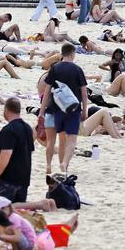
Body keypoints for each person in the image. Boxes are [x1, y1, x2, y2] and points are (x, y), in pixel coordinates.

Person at [38, 43, 87, 174]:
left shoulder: (55, 69)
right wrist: (85, 110)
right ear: (72, 54)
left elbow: (47, 91)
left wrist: (42, 111)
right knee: (66, 141)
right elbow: (83, 92)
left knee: (50, 142)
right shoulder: (77, 70)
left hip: (54, 108)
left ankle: (48, 166)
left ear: (62, 54)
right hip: (71, 109)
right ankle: (63, 164)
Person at [0, 97, 34, 203]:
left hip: (8, 180)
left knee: (1, 208)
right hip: (23, 180)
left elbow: (6, 154)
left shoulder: (8, 130)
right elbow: (30, 152)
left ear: (6, 110)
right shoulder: (28, 128)